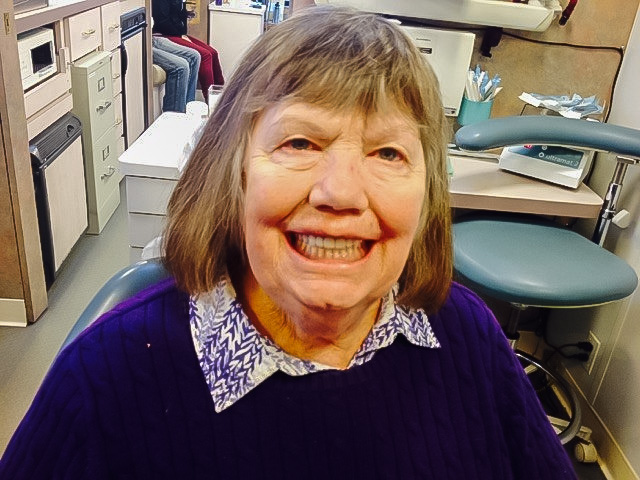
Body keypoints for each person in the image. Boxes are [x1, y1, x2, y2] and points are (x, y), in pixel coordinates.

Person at [0, 6, 577, 479]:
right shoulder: (105, 382)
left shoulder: (467, 336)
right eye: (300, 143)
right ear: (233, 173)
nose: (341, 193)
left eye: (388, 153)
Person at [152, 0, 224, 100]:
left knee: (213, 53)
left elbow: (178, 17)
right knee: (205, 55)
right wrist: (180, 34)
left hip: (176, 32)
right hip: (164, 34)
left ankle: (221, 97)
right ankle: (210, 101)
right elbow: (162, 22)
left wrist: (185, 17)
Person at [152, 35, 200, 112]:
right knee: (182, 67)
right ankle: (174, 116)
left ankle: (188, 111)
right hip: (143, 40)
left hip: (152, 36)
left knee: (195, 56)